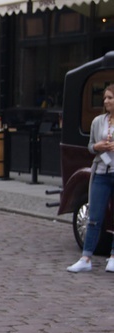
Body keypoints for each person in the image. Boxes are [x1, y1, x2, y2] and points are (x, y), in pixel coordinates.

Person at [67, 83, 114, 273]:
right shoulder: (98, 121)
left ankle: (113, 257)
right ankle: (86, 257)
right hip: (101, 172)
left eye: (110, 97)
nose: (106, 101)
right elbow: (90, 146)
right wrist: (98, 147)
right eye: (105, 98)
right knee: (94, 216)